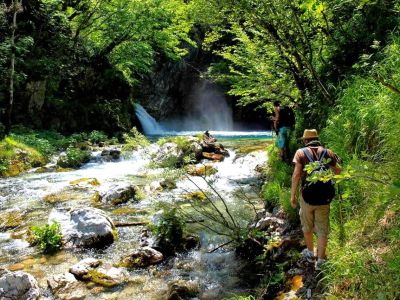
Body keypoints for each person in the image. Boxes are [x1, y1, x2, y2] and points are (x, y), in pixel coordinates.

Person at [291, 129, 341, 270]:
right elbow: (338, 171)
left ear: (305, 141)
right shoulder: (328, 152)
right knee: (322, 229)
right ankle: (320, 261)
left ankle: (310, 253)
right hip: (325, 198)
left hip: (307, 197)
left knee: (307, 226)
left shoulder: (300, 153)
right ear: (317, 138)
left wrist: (292, 196)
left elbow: (296, 175)